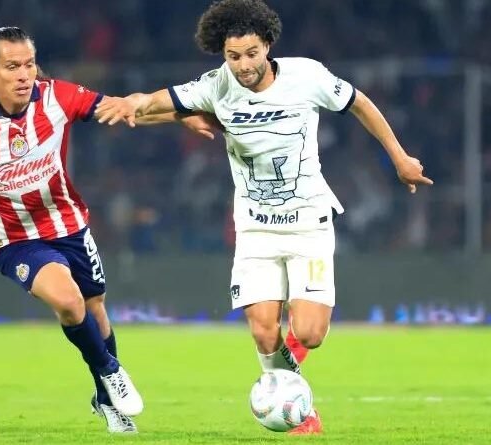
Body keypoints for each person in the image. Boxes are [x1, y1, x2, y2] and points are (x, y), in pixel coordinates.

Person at [96, 0, 433, 434]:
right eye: (233, 56)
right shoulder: (216, 85)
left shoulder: (307, 76)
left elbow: (359, 103)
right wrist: (136, 104)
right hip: (255, 228)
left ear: (268, 46)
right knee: (262, 331)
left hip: (308, 221)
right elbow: (158, 102)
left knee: (309, 333)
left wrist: (400, 158)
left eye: (251, 53)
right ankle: (297, 407)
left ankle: (287, 388)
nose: (243, 65)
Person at [0, 26, 158, 433]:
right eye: (12, 67)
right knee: (69, 302)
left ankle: (106, 401)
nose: (23, 75)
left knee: (95, 309)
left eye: (29, 65)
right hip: (16, 240)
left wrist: (183, 115)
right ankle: (111, 370)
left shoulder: (57, 97)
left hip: (70, 226)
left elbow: (120, 108)